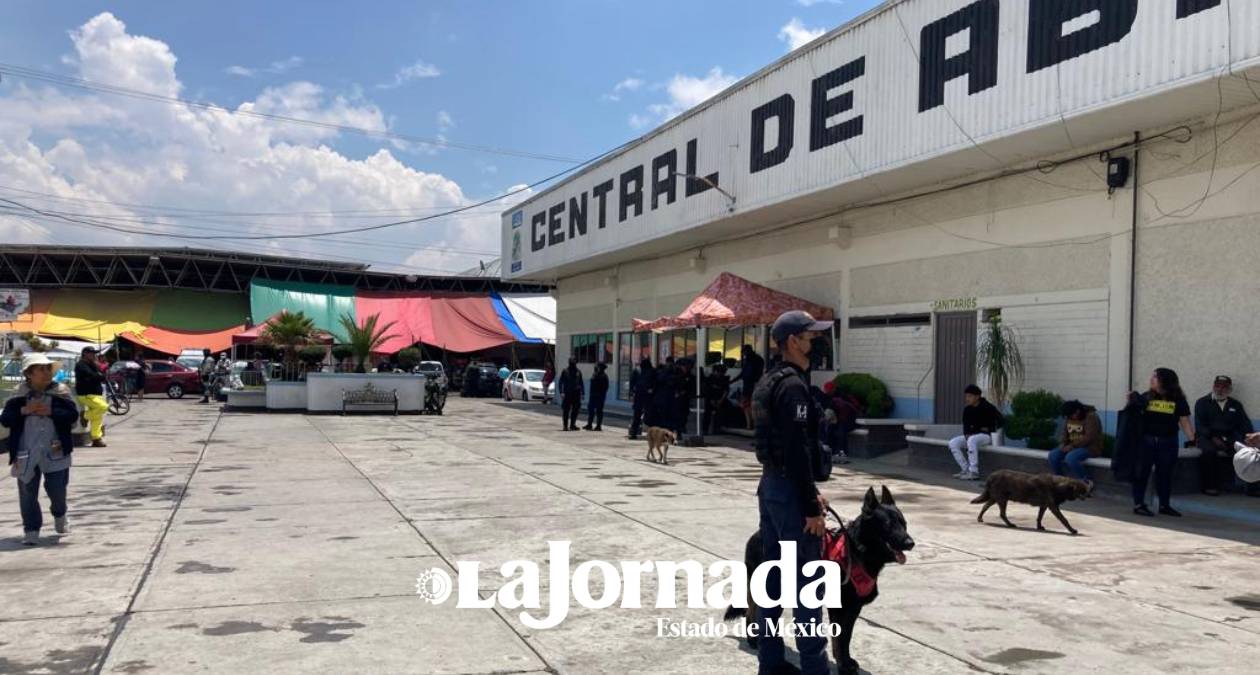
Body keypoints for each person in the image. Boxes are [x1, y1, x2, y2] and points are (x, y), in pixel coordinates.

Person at [752, 310, 834, 675]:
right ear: (792, 342)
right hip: (788, 490)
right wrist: (811, 505)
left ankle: (769, 664)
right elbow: (797, 450)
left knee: (772, 578)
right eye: (809, 337)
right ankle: (816, 668)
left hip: (771, 485)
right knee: (807, 585)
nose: (814, 343)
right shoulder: (794, 386)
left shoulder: (770, 380)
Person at [2, 354, 79, 546]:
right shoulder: (18, 397)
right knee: (27, 492)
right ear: (29, 374)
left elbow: (72, 416)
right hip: (25, 452)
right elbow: (6, 419)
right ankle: (31, 530)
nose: (46, 373)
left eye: (48, 369)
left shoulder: (60, 392)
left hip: (55, 451)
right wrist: (23, 411)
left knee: (57, 490)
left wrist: (51, 412)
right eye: (41, 369)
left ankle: (60, 514)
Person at [1127, 368, 1195, 517]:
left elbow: (1184, 420)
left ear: (1165, 381)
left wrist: (1192, 439)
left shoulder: (1178, 400)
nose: (1151, 379)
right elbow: (1133, 417)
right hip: (1146, 441)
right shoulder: (1146, 397)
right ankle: (1139, 504)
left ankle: (1164, 505)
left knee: (1165, 474)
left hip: (1168, 441)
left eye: (1155, 377)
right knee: (1141, 473)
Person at [1193, 376, 1254, 496]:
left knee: (1250, 453)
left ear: (1229, 389)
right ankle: (1209, 487)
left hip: (1229, 438)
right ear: (1213, 386)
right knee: (1209, 452)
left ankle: (1253, 488)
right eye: (1218, 386)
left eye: (1224, 387)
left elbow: (1244, 424)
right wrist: (1213, 437)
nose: (1220, 389)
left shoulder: (1235, 405)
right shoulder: (1202, 402)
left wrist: (1250, 438)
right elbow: (1200, 425)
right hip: (1207, 437)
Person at [947, 385, 1003, 481]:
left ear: (977, 397)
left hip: (986, 436)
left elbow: (1001, 420)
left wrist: (993, 431)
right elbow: (966, 426)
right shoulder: (967, 410)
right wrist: (966, 434)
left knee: (972, 440)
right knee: (953, 442)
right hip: (972, 436)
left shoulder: (988, 407)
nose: (967, 399)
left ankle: (974, 471)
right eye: (966, 396)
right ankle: (965, 469)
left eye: (970, 396)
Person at [1050, 400, 1103, 485]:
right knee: (1053, 455)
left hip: (1090, 447)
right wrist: (1063, 444)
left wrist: (1072, 445)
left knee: (1071, 458)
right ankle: (1060, 480)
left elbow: (1089, 437)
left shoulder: (1091, 417)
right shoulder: (1069, 418)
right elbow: (1065, 433)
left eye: (1071, 415)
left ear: (1077, 411)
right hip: (1072, 446)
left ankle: (1086, 482)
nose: (1070, 418)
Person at [73, 347, 108, 448]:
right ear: (85, 354)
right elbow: (93, 376)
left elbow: (102, 376)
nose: (94, 355)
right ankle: (85, 416)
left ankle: (96, 439)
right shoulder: (80, 365)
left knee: (97, 417)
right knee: (103, 407)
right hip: (86, 394)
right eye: (92, 353)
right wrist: (99, 375)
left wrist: (99, 370)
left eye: (94, 353)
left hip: (96, 394)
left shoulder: (93, 364)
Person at [627, 357, 654, 439]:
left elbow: (632, 383)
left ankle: (633, 433)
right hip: (648, 396)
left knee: (637, 416)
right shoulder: (652, 371)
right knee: (650, 415)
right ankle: (652, 434)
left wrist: (631, 393)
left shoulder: (637, 371)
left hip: (639, 395)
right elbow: (655, 383)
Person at [740, 345, 765, 430]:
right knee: (748, 405)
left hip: (751, 384)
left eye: (744, 352)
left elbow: (754, 373)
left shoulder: (753, 360)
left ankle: (751, 424)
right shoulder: (752, 360)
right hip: (750, 384)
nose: (744, 354)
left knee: (749, 405)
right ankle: (750, 424)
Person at [703, 363, 731, 434]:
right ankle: (705, 430)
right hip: (710, 399)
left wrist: (721, 401)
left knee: (722, 412)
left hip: (720, 399)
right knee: (707, 414)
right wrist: (711, 400)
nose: (719, 374)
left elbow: (726, 391)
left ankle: (718, 429)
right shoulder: (709, 379)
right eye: (718, 372)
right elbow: (707, 391)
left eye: (721, 372)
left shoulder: (724, 379)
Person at [558, 358, 584, 431]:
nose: (573, 364)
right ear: (569, 362)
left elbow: (581, 382)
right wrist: (561, 392)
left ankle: (572, 425)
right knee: (566, 410)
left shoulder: (578, 372)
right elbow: (560, 382)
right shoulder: (565, 371)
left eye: (574, 362)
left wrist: (583, 393)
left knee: (575, 410)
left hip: (576, 394)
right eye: (572, 362)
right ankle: (565, 426)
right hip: (567, 393)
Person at [674, 358, 695, 438]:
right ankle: (678, 431)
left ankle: (681, 428)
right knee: (678, 415)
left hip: (685, 398)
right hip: (677, 398)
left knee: (684, 414)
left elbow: (691, 387)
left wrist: (686, 392)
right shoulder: (677, 375)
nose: (685, 368)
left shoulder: (690, 376)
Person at [584, 363, 609, 431]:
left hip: (600, 396)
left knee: (599, 411)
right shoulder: (595, 374)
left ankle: (598, 426)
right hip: (593, 395)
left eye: (597, 367)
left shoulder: (604, 376)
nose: (596, 368)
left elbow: (605, 387)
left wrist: (600, 394)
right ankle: (589, 424)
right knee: (591, 410)